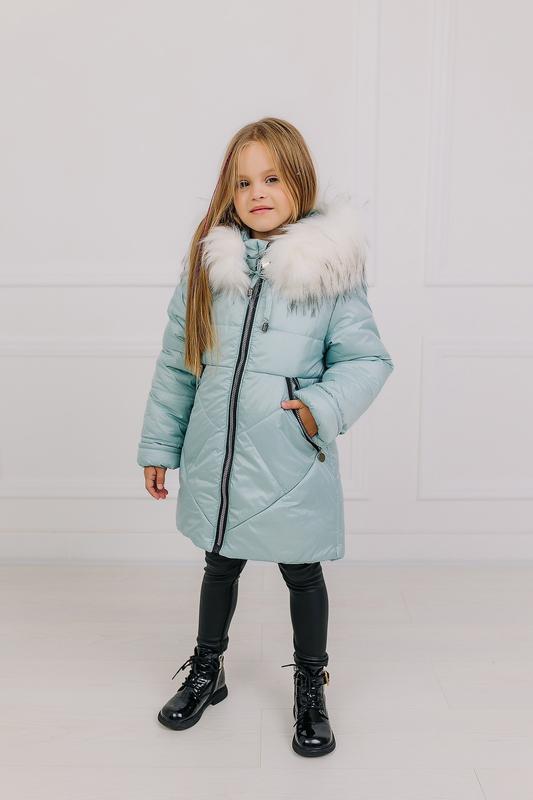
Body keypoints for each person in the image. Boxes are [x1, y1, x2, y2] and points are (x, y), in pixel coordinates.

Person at [137, 117, 394, 757]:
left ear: (298, 181)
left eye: (272, 178)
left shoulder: (329, 271)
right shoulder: (209, 270)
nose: (257, 192)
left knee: (302, 571)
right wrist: (160, 446)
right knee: (219, 563)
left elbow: (367, 360)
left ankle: (311, 684)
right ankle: (208, 668)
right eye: (244, 181)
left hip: (290, 459)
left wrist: (316, 408)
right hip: (217, 458)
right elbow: (178, 364)